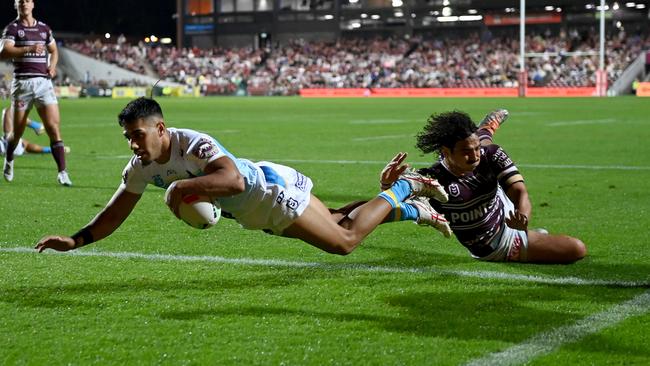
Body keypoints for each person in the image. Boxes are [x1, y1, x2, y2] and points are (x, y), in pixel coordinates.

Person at [35, 97, 450, 254]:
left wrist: (182, 187)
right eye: (128, 138)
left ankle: (405, 187)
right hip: (253, 213)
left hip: (266, 190)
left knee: (343, 241)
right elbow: (115, 212)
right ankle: (417, 212)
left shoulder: (193, 144)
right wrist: (74, 240)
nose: (133, 144)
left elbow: (232, 181)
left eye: (138, 135)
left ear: (160, 128)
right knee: (341, 218)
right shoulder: (140, 168)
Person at [381, 109, 587, 263]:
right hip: (497, 243)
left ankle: (485, 130)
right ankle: (483, 131)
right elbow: (393, 205)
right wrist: (388, 183)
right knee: (577, 249)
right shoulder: (432, 180)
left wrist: (523, 217)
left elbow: (519, 191)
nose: (474, 156)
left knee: (487, 149)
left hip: (499, 202)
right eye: (466, 151)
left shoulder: (488, 155)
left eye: (475, 149)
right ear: (446, 152)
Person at [1, 0, 72, 186]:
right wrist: (28, 48)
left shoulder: (44, 29)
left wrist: (53, 65)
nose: (24, 3)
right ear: (16, 5)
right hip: (22, 84)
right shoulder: (12, 29)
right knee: (16, 133)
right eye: (21, 1)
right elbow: (3, 52)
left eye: (28, 0)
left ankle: (62, 172)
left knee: (53, 129)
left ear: (33, 5)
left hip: (43, 84)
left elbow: (54, 50)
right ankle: (9, 161)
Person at [1, 106, 70, 156]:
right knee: (11, 111)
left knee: (24, 145)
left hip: (8, 148)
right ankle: (38, 127)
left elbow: (27, 147)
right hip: (9, 146)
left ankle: (51, 148)